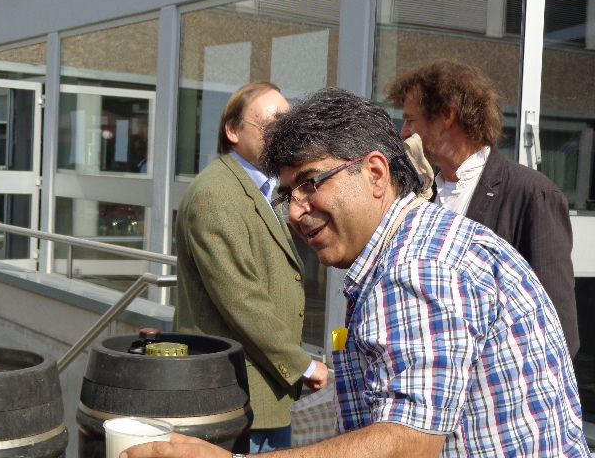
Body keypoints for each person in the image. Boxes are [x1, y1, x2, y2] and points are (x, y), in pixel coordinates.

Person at [123, 87, 589, 458]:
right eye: (288, 194)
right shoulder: (420, 242)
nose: (296, 211)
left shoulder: (417, 268)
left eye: (311, 182)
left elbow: (407, 444)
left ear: (376, 173)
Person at [172, 82, 329, 453]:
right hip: (235, 398)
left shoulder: (262, 189)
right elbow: (241, 298)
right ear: (233, 130)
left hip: (262, 396)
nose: (282, 135)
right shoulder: (216, 195)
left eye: (287, 125)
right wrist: (304, 365)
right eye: (271, 124)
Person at [385, 59, 579, 358]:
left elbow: (557, 326)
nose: (404, 133)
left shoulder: (532, 194)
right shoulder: (418, 192)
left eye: (411, 120)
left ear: (446, 115)